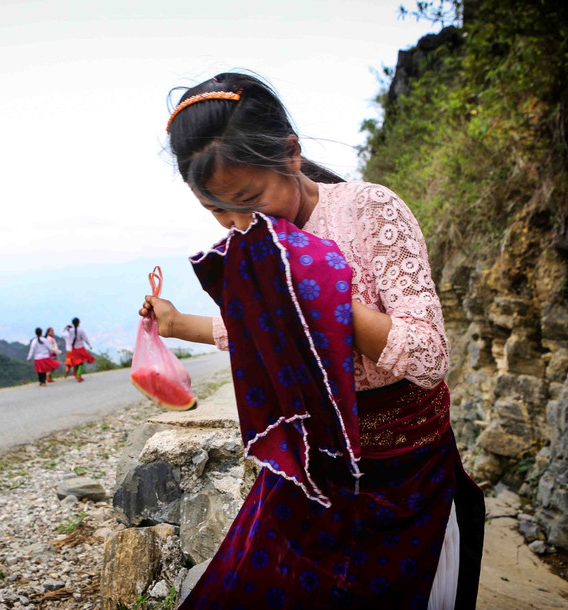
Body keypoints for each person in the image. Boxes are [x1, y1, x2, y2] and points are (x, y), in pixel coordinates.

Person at [139, 73, 485, 609]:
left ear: (292, 155)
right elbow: (263, 334)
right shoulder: (255, 243)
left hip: (405, 473)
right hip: (316, 465)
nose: (236, 223)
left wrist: (324, 298)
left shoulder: (370, 212)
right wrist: (178, 322)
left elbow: (429, 357)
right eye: (217, 211)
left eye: (249, 201)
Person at [62, 317, 95, 382]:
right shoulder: (81, 330)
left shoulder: (70, 331)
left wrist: (65, 328)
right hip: (80, 348)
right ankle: (79, 375)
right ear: (79, 323)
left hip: (73, 349)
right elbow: (85, 339)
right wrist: (90, 345)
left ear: (73, 323)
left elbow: (64, 334)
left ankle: (77, 374)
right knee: (81, 363)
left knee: (76, 362)